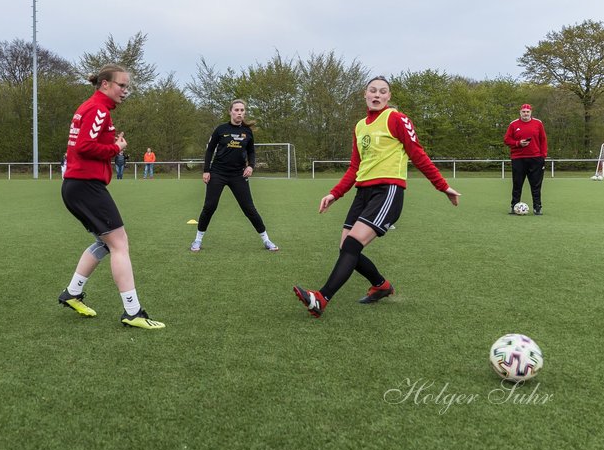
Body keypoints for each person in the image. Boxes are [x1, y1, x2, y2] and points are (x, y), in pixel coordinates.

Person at [293, 76, 460, 317]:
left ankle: (321, 298)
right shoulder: (360, 126)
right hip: (363, 192)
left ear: (388, 97)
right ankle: (381, 286)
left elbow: (418, 154)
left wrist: (443, 186)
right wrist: (334, 194)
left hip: (388, 191)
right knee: (346, 248)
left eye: (383, 92)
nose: (377, 95)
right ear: (365, 94)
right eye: (373, 90)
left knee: (352, 244)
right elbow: (354, 167)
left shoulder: (396, 118)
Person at [57, 64, 164, 330]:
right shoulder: (98, 109)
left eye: (127, 86)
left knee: (106, 243)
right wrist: (115, 147)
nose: (125, 91)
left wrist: (110, 144)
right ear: (105, 84)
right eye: (122, 85)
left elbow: (85, 143)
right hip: (85, 186)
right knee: (119, 244)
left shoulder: (93, 108)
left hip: (77, 186)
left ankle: (72, 293)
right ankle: (133, 312)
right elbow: (85, 147)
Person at [190, 99, 278, 252]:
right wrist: (206, 170)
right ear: (230, 111)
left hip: (238, 175)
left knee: (249, 208)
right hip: (218, 173)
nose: (239, 113)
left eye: (242, 110)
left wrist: (250, 166)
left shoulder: (247, 132)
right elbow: (210, 150)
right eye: (236, 110)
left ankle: (266, 240)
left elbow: (251, 152)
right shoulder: (220, 129)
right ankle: (197, 240)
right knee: (210, 206)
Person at [504, 103, 547, 215]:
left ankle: (537, 208)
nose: (525, 114)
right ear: (520, 112)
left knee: (536, 185)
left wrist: (543, 156)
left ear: (531, 112)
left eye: (527, 112)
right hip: (518, 159)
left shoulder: (538, 123)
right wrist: (518, 143)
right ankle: (514, 206)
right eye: (523, 111)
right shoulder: (513, 124)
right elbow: (507, 140)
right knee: (517, 184)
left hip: (536, 158)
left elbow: (543, 140)